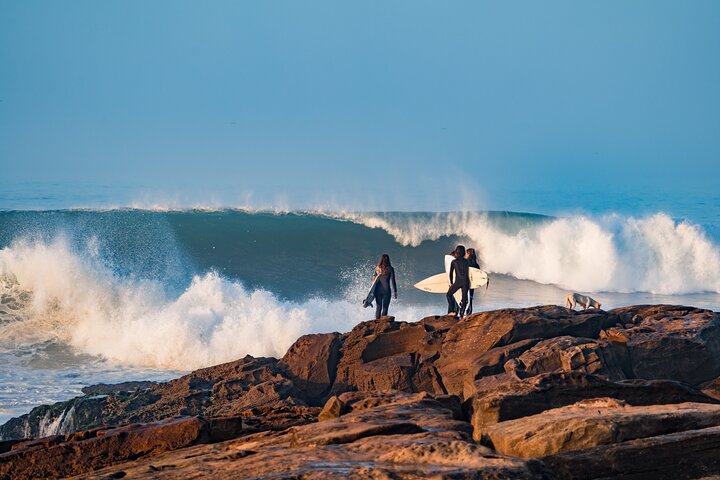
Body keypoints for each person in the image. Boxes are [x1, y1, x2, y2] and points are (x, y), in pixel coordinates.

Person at [447, 245, 470, 317]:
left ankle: (452, 311)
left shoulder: (454, 262)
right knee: (464, 299)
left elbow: (450, 273)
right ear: (463, 252)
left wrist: (451, 283)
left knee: (449, 294)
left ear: (457, 252)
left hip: (458, 282)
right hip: (466, 282)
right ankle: (462, 314)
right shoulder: (467, 261)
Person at [371, 254, 397, 319]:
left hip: (378, 291)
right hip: (387, 291)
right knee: (385, 308)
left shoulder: (377, 268)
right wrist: (395, 291)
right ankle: (382, 324)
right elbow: (393, 281)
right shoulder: (390, 269)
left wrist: (372, 291)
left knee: (378, 308)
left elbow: (373, 279)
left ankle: (377, 324)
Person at [465, 248, 480, 315]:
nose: (465, 255)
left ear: (468, 254)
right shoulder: (476, 265)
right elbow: (478, 275)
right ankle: (469, 313)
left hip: (464, 282)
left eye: (466, 253)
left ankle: (463, 313)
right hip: (472, 284)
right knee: (470, 298)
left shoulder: (464, 262)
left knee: (463, 298)